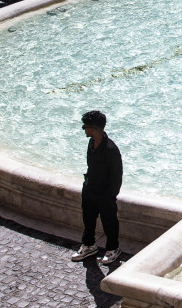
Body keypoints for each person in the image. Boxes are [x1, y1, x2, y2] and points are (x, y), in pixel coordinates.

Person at [70, 110, 123, 266]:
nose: (84, 130)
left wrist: (110, 195)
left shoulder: (111, 149)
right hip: (90, 189)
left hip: (105, 193)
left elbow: (117, 175)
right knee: (88, 219)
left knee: (109, 222)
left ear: (92, 129)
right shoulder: (91, 142)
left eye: (85, 127)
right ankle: (88, 245)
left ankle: (113, 249)